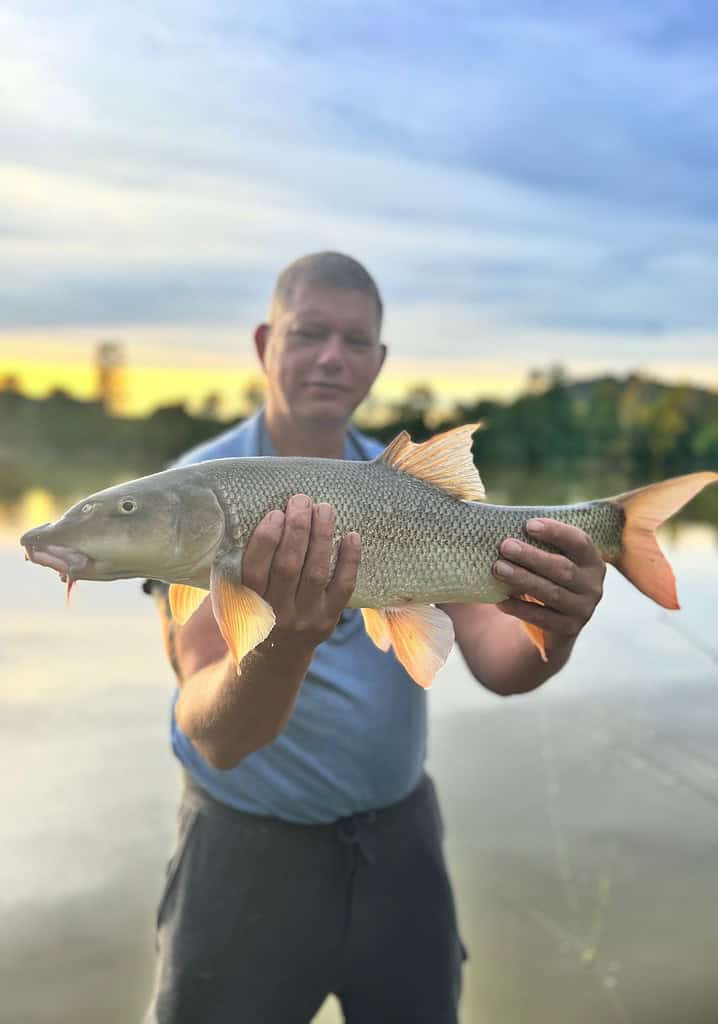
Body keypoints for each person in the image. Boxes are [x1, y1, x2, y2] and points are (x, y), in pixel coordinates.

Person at [143, 252, 606, 1024]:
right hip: (244, 854)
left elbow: (500, 661)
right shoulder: (196, 493)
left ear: (378, 362)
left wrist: (553, 627)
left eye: (356, 341)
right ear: (266, 343)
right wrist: (286, 642)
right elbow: (212, 732)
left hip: (400, 845)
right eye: (310, 332)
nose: (332, 356)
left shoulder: (410, 486)